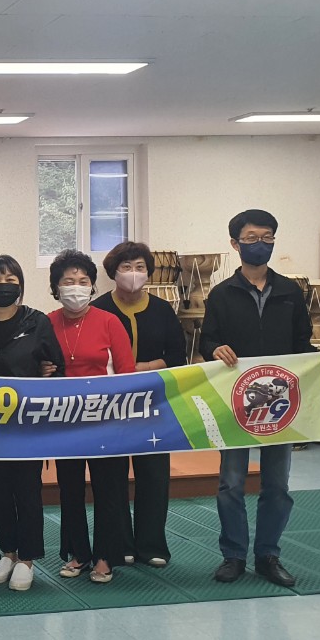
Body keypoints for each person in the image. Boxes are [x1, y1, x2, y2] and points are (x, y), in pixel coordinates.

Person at [200, 210, 320, 587]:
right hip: (235, 400)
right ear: (235, 244)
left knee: (277, 485)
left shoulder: (291, 292)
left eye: (267, 237)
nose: (260, 244)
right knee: (231, 483)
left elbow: (301, 342)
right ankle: (233, 556)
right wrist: (215, 350)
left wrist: (319, 357)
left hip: (280, 403)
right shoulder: (221, 294)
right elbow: (208, 340)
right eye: (251, 237)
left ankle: (268, 555)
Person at [0, 256, 61, 591]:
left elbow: (55, 367)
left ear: (20, 283)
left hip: (27, 426)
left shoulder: (37, 321)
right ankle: (8, 552)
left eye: (9, 278)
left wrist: (47, 374)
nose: (2, 285)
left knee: (27, 491)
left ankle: (27, 558)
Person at [92, 242, 186, 568]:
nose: (134, 273)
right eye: (127, 266)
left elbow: (177, 356)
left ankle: (152, 545)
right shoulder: (99, 310)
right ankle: (120, 545)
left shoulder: (162, 310)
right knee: (112, 475)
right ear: (113, 272)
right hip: (111, 407)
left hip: (154, 405)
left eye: (140, 267)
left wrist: (140, 368)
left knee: (154, 474)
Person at [47, 249, 136, 584]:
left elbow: (127, 373)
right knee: (69, 489)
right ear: (56, 287)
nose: (76, 287)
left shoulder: (110, 322)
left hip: (107, 421)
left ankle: (105, 556)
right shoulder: (46, 323)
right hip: (64, 422)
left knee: (109, 489)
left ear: (93, 286)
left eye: (83, 281)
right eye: (68, 281)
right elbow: (38, 367)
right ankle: (78, 553)